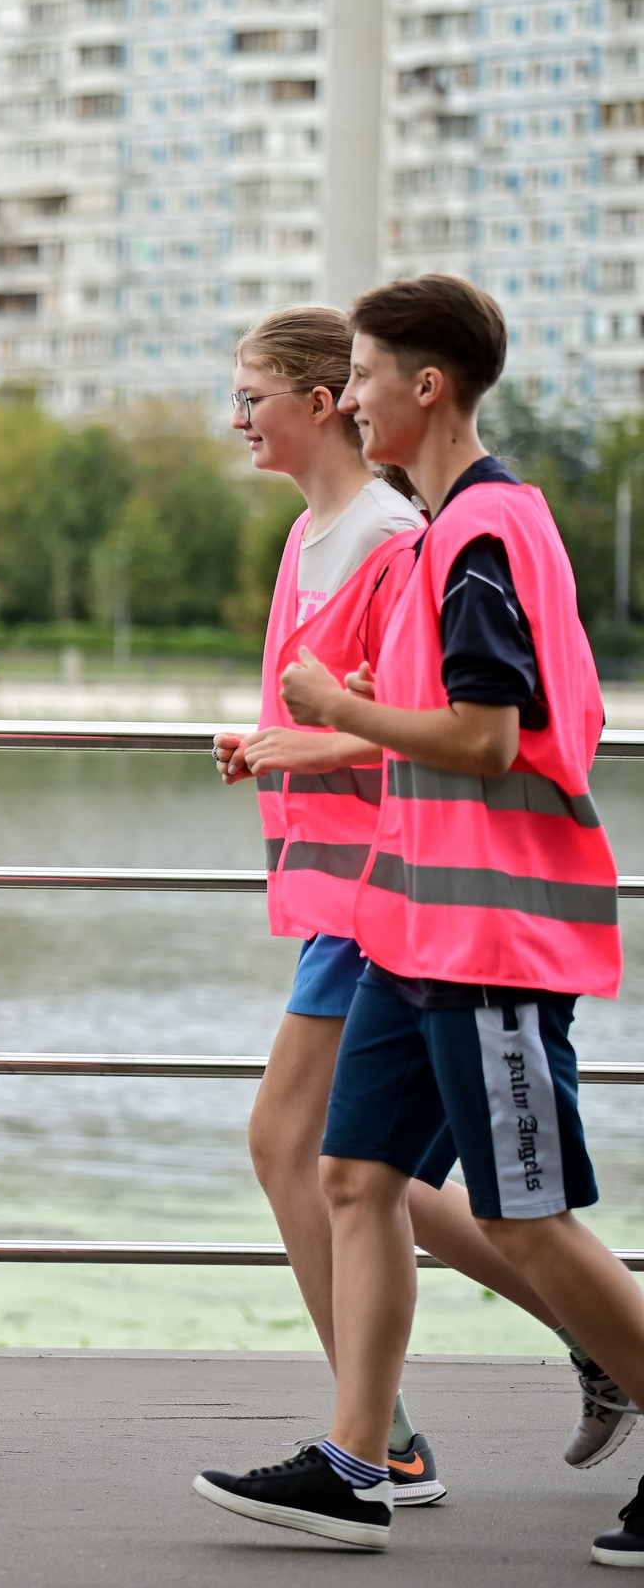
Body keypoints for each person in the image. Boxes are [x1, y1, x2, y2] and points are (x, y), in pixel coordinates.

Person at [193, 275, 644, 1563]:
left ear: (420, 389)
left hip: (488, 928)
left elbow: (491, 735)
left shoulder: (476, 535)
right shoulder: (453, 529)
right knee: (351, 1174)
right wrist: (325, 722)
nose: (356, 388)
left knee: (521, 1214)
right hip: (411, 917)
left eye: (370, 372)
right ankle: (357, 1461)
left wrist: (333, 706)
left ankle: (585, 1363)